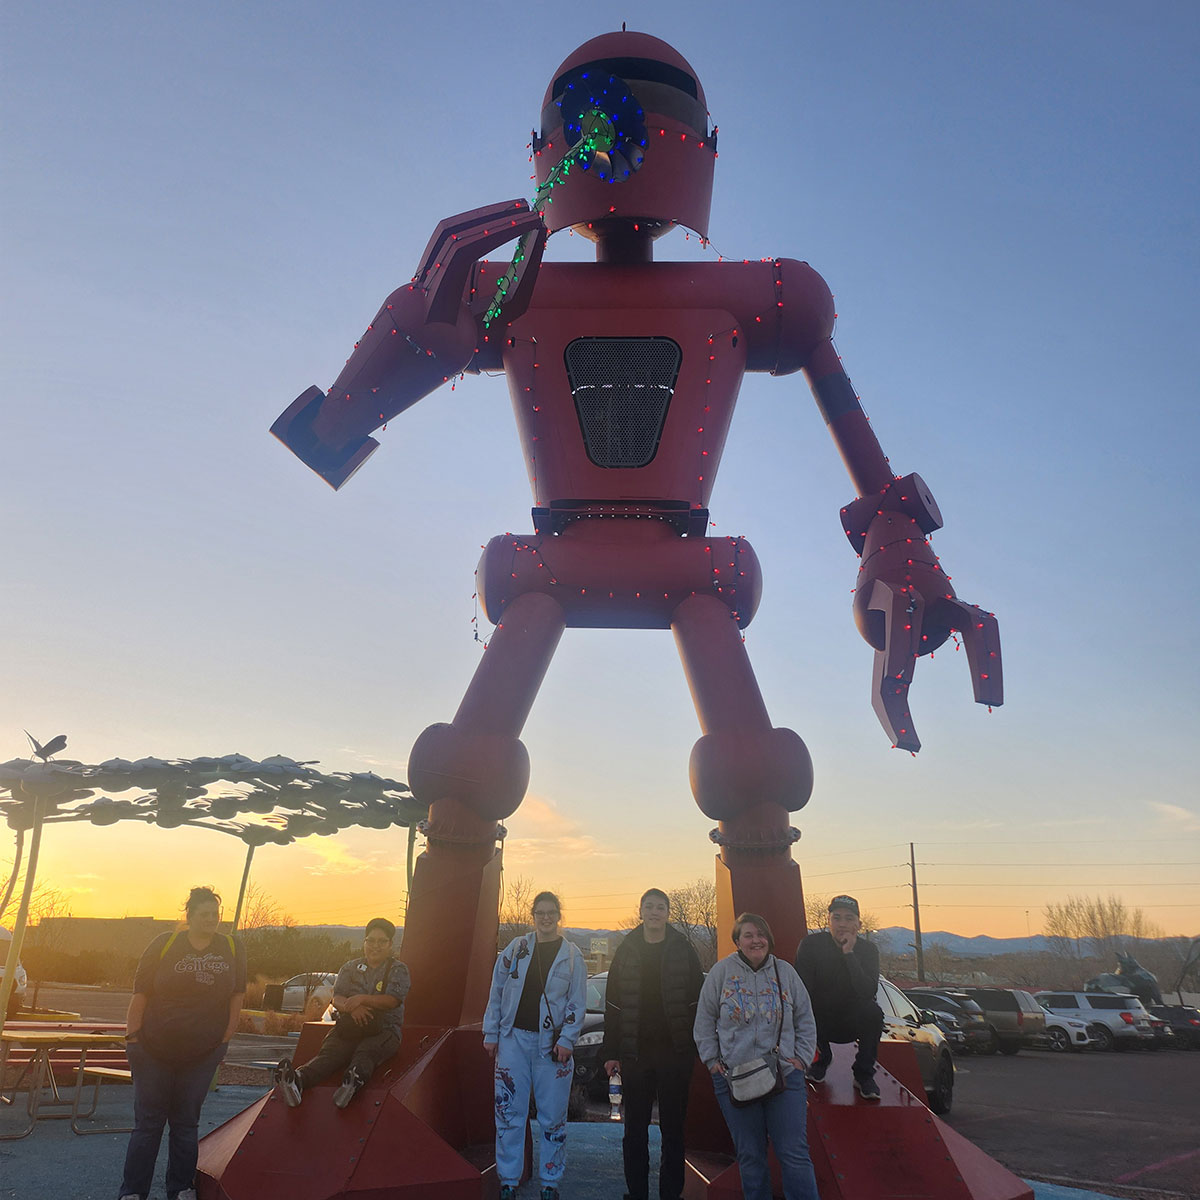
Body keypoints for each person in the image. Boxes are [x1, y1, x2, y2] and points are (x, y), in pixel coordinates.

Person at [119, 886, 245, 1200]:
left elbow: (237, 995)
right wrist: (133, 1039)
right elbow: (141, 992)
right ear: (189, 916)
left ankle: (180, 1187)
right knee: (148, 1123)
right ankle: (133, 1191)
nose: (211, 920)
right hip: (153, 1049)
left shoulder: (231, 947)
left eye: (215, 915)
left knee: (186, 1123)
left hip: (202, 1053)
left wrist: (225, 1038)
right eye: (204, 915)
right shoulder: (165, 944)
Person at [694, 912, 819, 1200]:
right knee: (750, 1156)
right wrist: (713, 1063)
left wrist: (800, 1057)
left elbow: (805, 1019)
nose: (755, 940)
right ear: (737, 941)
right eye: (748, 935)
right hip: (734, 1078)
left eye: (760, 934)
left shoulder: (786, 973)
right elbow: (703, 1022)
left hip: (784, 1077)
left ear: (769, 939)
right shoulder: (721, 974)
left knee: (794, 1154)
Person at [484, 891, 587, 1200]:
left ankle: (549, 1183)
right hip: (513, 1040)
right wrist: (491, 1033)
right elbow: (497, 991)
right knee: (508, 1113)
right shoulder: (517, 949)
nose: (545, 917)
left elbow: (577, 1002)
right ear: (533, 915)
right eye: (540, 912)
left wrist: (567, 1039)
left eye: (551, 912)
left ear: (558, 915)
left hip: (551, 1048)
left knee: (552, 1117)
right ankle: (509, 1181)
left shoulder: (572, 956)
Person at [602, 887, 704, 1200]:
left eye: (661, 907)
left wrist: (696, 1048)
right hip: (635, 1055)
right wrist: (610, 1052)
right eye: (650, 906)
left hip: (675, 1054)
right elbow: (614, 1006)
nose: (655, 912)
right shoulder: (627, 949)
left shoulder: (683, 948)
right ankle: (637, 1193)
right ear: (641, 911)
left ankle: (671, 1194)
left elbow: (697, 1002)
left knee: (673, 1131)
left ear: (668, 913)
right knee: (635, 1131)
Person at [274, 917, 410, 1108]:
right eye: (371, 941)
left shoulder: (398, 970)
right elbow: (337, 998)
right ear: (364, 942)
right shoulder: (350, 967)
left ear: (390, 944)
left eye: (381, 941)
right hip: (350, 1027)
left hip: (384, 1029)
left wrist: (361, 999)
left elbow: (393, 1000)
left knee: (367, 1051)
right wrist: (351, 1007)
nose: (375, 946)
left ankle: (352, 1083)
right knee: (330, 1054)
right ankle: (297, 1080)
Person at [794, 893, 883, 1099]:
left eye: (849, 918)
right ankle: (820, 1059)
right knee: (798, 1006)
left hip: (851, 1021)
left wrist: (849, 954)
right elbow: (801, 990)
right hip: (819, 1021)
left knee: (873, 1013)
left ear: (858, 924)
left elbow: (868, 991)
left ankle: (863, 1075)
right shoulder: (810, 945)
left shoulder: (868, 950)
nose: (842, 924)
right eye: (836, 917)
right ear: (829, 921)